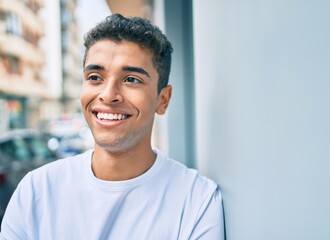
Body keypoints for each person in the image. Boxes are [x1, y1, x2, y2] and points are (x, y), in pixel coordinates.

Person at [0, 14, 225, 239]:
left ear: (162, 100)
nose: (108, 95)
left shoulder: (197, 199)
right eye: (95, 77)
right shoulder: (36, 191)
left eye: (131, 79)